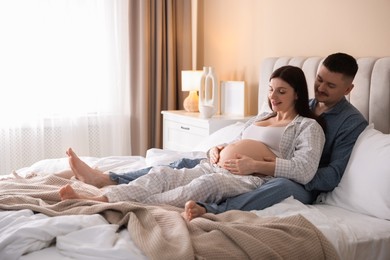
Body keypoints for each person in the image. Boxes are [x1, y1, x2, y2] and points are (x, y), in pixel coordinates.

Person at [59, 65, 325, 210]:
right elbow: (238, 141)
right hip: (217, 164)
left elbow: (304, 170)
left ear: (297, 94)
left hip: (251, 179)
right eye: (270, 89)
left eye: (281, 91)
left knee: (203, 187)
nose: (273, 96)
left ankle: (125, 205)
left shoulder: (307, 127)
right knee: (162, 175)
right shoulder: (260, 117)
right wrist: (218, 149)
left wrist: (255, 165)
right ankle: (103, 199)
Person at [183, 52, 368, 220]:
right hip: (266, 169)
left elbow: (333, 174)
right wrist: (222, 150)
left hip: (300, 183)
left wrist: (281, 169)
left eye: (331, 85)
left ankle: (214, 210)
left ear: (347, 90)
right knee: (201, 159)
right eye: (319, 79)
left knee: (281, 186)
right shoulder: (302, 105)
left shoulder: (351, 122)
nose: (320, 88)